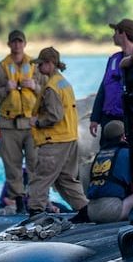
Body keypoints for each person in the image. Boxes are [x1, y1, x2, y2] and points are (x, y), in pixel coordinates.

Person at [0, 30, 38, 213]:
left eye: (20, 42)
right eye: (14, 42)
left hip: (30, 123)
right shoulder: (0, 68)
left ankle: (36, 199)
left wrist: (35, 86)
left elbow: (49, 90)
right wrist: (4, 90)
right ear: (9, 44)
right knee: (12, 166)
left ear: (25, 43)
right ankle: (18, 200)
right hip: (9, 124)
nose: (17, 45)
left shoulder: (35, 66)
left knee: (35, 163)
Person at [29, 47, 89, 219]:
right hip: (69, 138)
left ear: (49, 64)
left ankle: (36, 211)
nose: (38, 68)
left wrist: (38, 122)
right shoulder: (64, 83)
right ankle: (84, 209)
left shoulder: (51, 88)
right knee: (65, 178)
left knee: (42, 176)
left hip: (55, 140)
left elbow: (55, 115)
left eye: (40, 64)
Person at [90, 18, 133, 182]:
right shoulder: (113, 59)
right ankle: (107, 187)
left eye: (115, 32)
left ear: (122, 33)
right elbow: (103, 88)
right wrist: (95, 118)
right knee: (106, 155)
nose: (112, 37)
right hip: (108, 117)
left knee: (127, 156)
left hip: (127, 118)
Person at [85, 120, 133, 223]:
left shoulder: (99, 154)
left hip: (90, 211)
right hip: (112, 212)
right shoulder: (126, 153)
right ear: (123, 136)